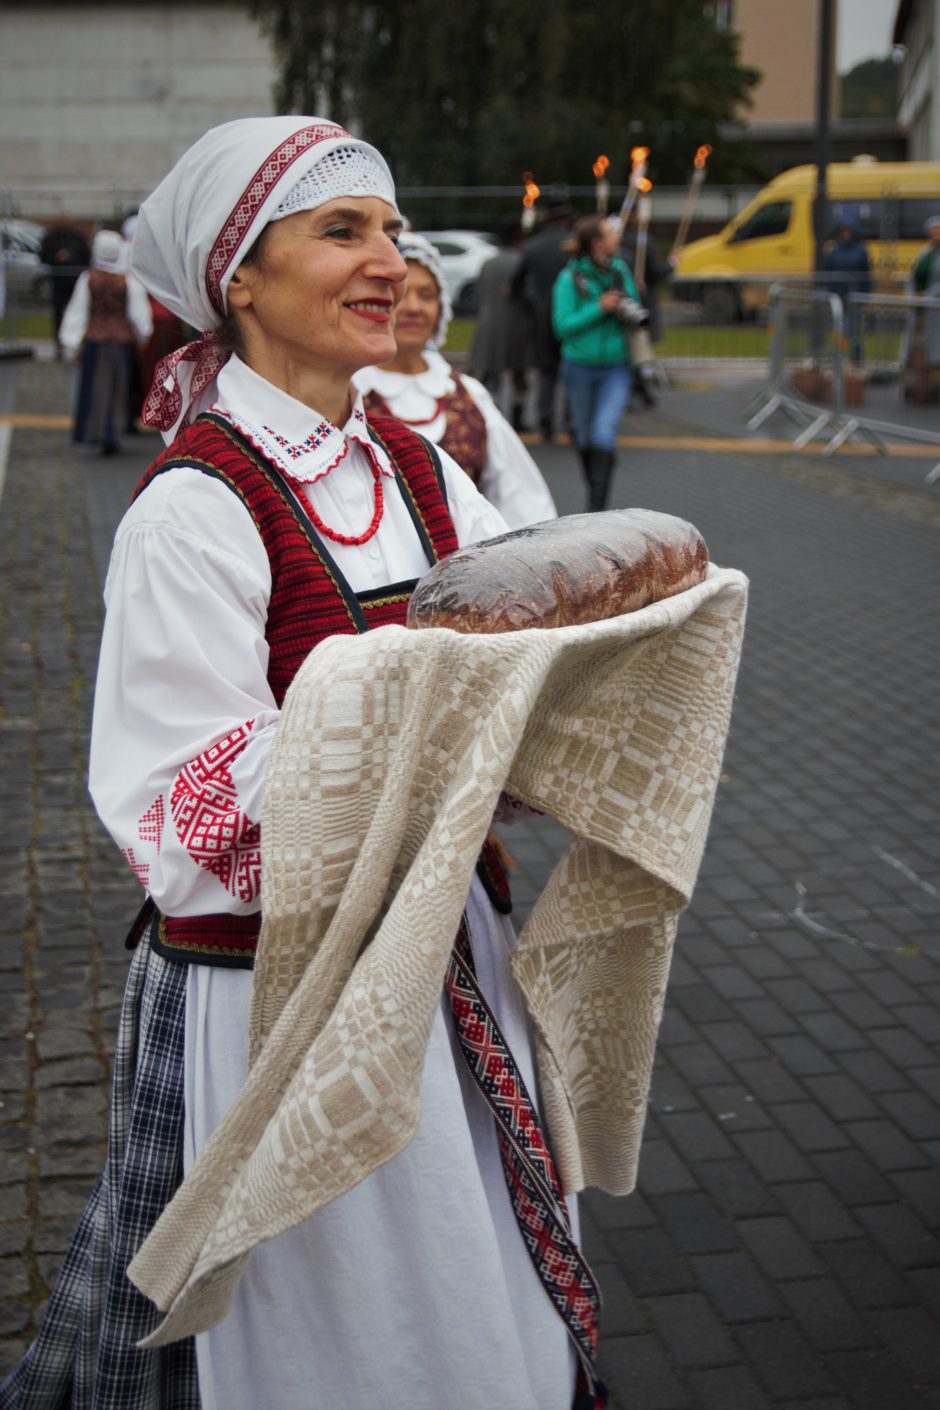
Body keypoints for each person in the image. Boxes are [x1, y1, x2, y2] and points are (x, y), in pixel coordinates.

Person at [2, 117, 600, 1410]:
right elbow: (188, 806)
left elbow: (540, 650)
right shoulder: (195, 507)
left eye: (392, 228)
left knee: (475, 1299)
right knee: (342, 1326)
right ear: (243, 280)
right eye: (343, 231)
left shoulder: (420, 466)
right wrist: (440, 720)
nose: (389, 259)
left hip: (444, 958)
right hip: (279, 1004)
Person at [355, 231, 556, 529]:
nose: (413, 307)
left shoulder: (467, 393)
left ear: (440, 308)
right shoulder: (351, 396)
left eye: (426, 295)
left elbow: (522, 501)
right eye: (400, 295)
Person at [552, 215, 640, 513]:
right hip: (579, 367)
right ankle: (595, 498)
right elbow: (562, 326)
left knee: (604, 432)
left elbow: (635, 307)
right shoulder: (569, 279)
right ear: (597, 242)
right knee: (584, 434)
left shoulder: (620, 270)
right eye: (611, 233)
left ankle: (597, 508)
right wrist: (598, 308)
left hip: (616, 366)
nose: (618, 237)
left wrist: (628, 305)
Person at [59, 228, 153, 454]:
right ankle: (112, 431)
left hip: (96, 340)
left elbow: (78, 312)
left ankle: (98, 430)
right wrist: (143, 335)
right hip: (121, 342)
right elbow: (138, 314)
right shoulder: (127, 281)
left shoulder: (88, 279)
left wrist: (71, 343)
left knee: (97, 387)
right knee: (117, 388)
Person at [510, 202, 572, 439]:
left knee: (546, 371)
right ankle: (570, 419)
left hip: (542, 316)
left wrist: (527, 302)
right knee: (569, 368)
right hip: (572, 314)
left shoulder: (532, 246)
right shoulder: (573, 244)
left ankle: (545, 420)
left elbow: (518, 283)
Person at [468, 223, 531, 430]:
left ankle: (486, 414)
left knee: (489, 374)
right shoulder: (521, 262)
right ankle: (518, 419)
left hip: (489, 324)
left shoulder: (489, 263)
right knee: (519, 376)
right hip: (517, 327)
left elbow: (479, 292)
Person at [39, 215, 90, 358]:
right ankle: (59, 344)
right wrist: (57, 258)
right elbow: (43, 255)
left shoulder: (77, 238)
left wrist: (72, 257)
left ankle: (76, 343)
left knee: (78, 312)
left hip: (74, 282)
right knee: (58, 313)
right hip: (58, 283)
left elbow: (85, 256)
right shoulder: (52, 238)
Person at [822, 219, 872, 365]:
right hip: (837, 297)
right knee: (838, 329)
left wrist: (867, 296)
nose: (846, 235)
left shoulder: (860, 251)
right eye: (844, 232)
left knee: (854, 331)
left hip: (854, 298)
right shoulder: (833, 251)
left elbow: (866, 275)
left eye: (849, 232)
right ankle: (838, 358)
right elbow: (827, 272)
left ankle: (856, 360)